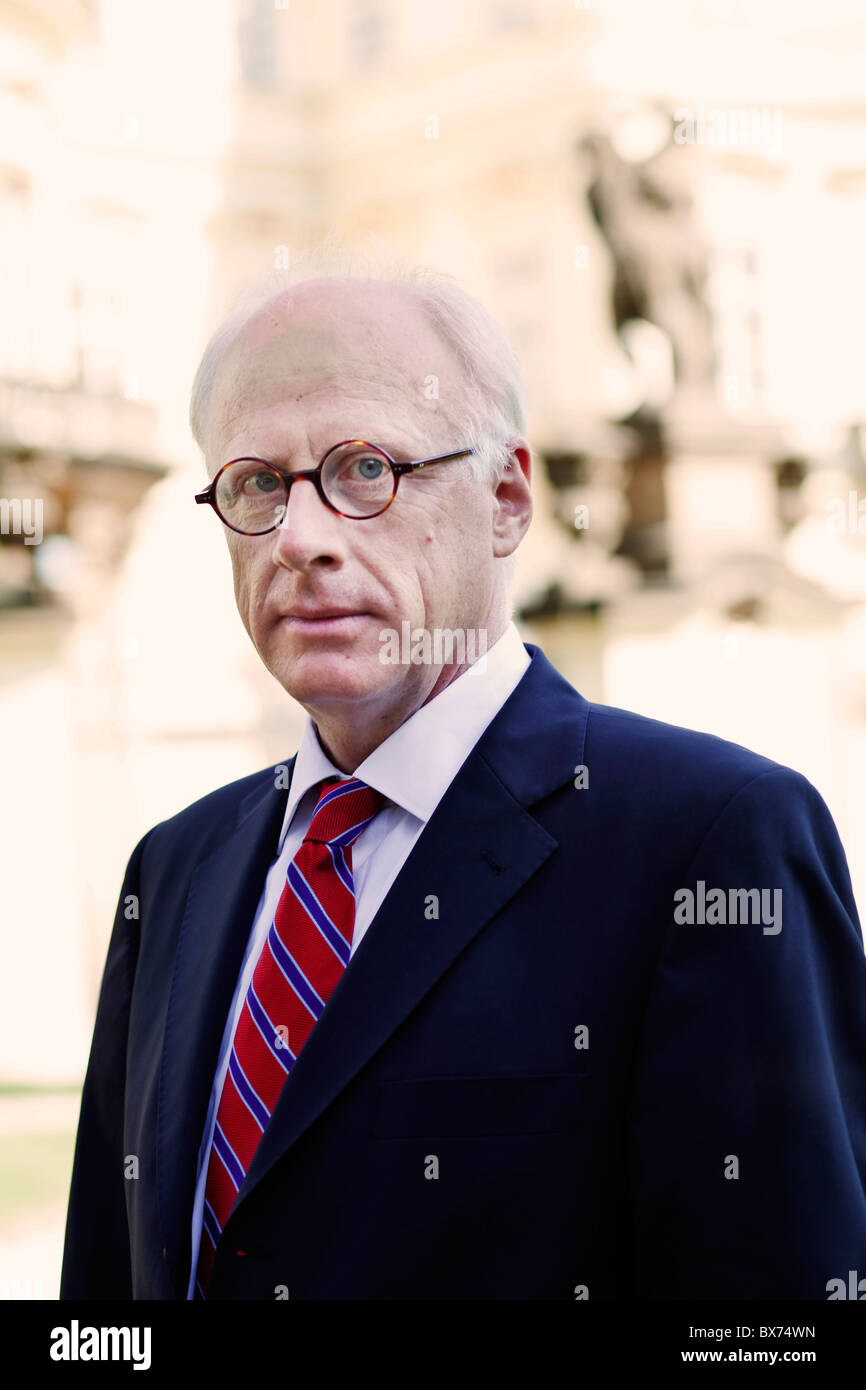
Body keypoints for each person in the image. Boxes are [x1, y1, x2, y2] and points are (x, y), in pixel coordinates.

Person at [60, 261, 866, 1301]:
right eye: (258, 483)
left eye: (363, 470)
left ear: (505, 498)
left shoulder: (708, 837)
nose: (300, 540)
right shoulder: (174, 866)